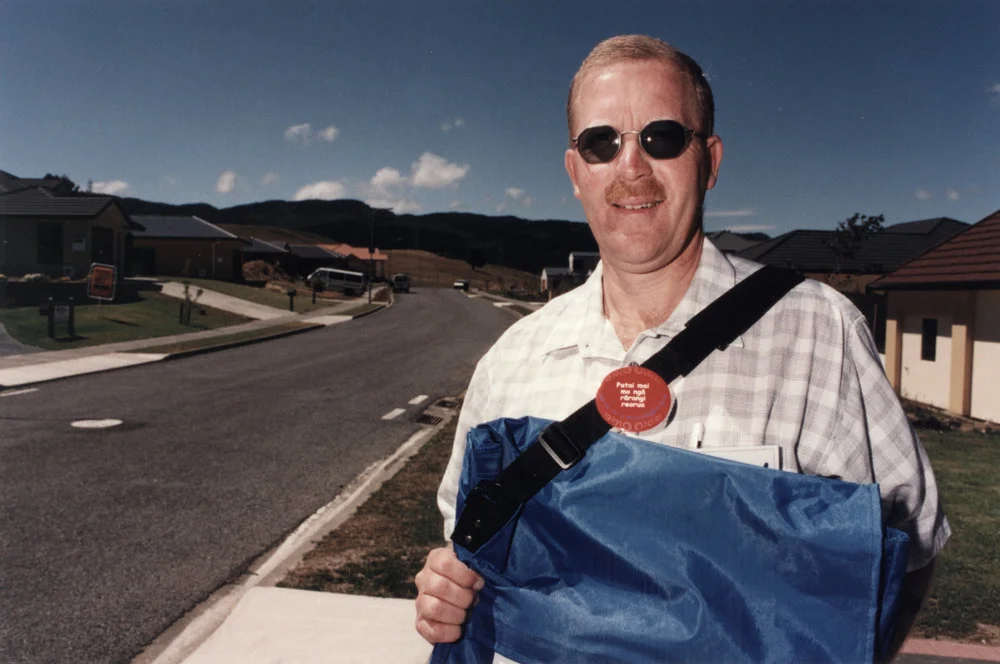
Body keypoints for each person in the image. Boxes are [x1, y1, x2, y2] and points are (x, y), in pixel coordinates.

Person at [415, 34, 950, 659]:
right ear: (575, 172)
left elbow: (908, 547)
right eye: (601, 143)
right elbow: (465, 543)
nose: (631, 166)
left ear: (711, 160)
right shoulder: (511, 360)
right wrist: (446, 591)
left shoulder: (819, 333)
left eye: (661, 137)